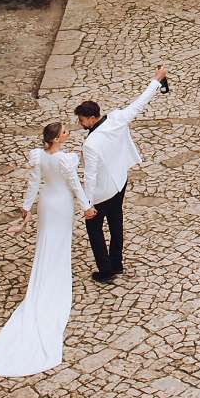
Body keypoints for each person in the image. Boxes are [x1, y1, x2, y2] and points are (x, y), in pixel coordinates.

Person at [0, 121, 95, 378]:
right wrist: (87, 207)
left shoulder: (40, 158)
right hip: (61, 204)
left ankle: (47, 277)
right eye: (64, 132)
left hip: (46, 203)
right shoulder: (66, 160)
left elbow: (34, 183)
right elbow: (76, 186)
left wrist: (26, 206)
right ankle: (57, 280)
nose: (68, 134)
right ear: (56, 139)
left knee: (47, 243)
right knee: (59, 243)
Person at [74, 65, 167, 283]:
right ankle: (117, 263)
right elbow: (139, 103)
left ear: (90, 118)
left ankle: (105, 271)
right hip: (120, 183)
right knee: (116, 224)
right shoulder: (117, 118)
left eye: (81, 119)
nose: (79, 123)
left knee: (95, 231)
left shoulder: (90, 144)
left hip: (101, 193)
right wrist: (157, 80)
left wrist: (87, 205)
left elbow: (90, 176)